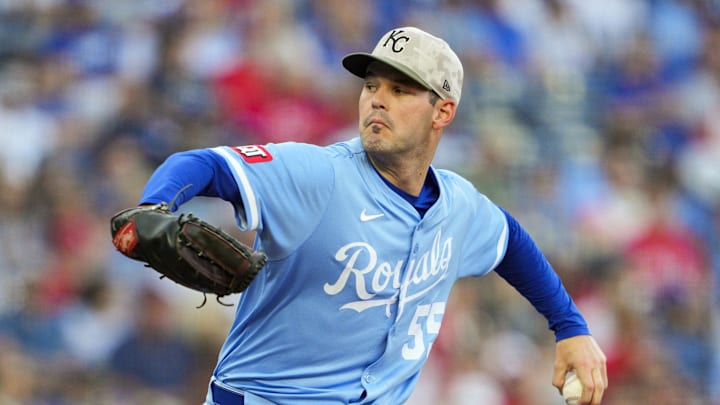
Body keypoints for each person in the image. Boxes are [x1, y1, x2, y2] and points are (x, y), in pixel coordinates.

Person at [131, 26, 607, 405]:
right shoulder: (319, 174)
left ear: (442, 112)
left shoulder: (459, 206)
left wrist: (570, 328)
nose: (377, 98)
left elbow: (510, 242)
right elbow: (206, 165)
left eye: (400, 89)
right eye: (372, 85)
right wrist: (155, 206)